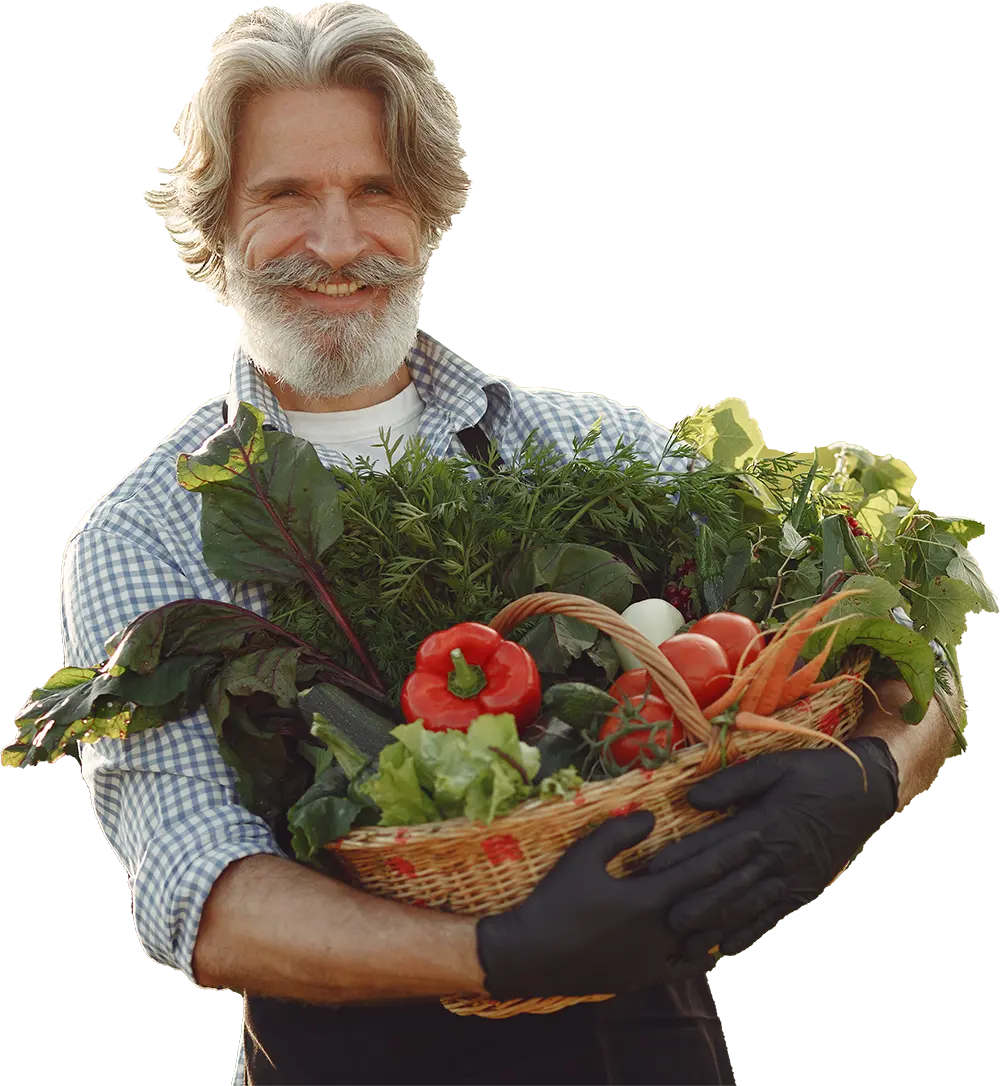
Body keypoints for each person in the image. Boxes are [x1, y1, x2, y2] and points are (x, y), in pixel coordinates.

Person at [60, 5, 957, 1084]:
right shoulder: (145, 530)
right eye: (285, 195)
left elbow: (902, 652)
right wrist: (497, 951)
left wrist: (868, 778)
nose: (337, 243)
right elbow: (197, 892)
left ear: (429, 212)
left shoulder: (596, 445)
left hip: (648, 1044)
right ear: (214, 229)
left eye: (377, 191)